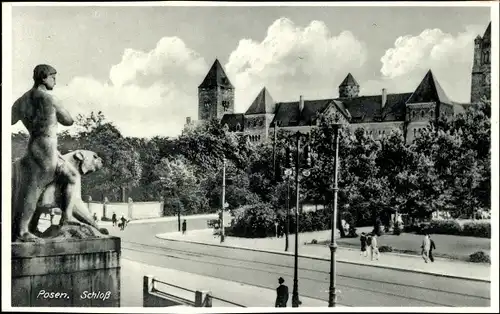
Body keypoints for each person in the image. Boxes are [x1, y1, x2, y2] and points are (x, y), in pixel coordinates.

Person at [11, 64, 78, 241]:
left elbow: (8, 119)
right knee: (35, 188)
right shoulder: (50, 99)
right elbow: (68, 120)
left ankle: (68, 216)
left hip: (34, 144)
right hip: (46, 147)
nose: (55, 81)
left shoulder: (21, 100)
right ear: (43, 77)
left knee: (71, 175)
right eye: (53, 77)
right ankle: (22, 231)